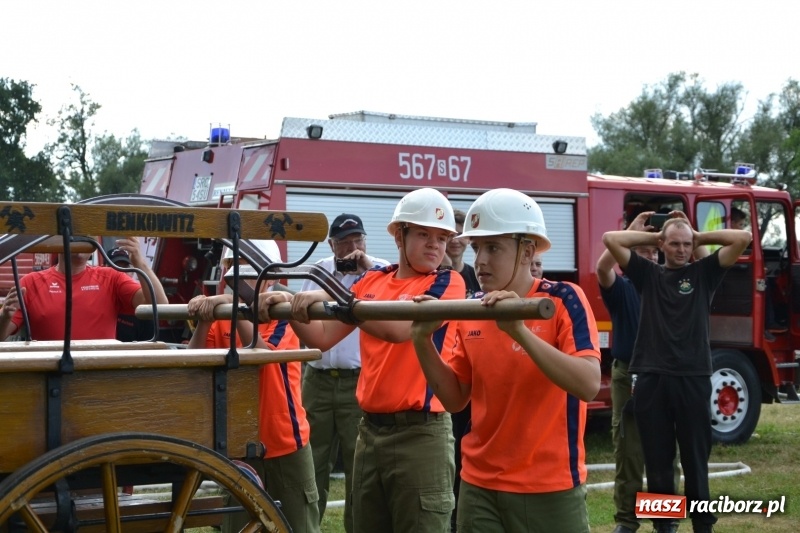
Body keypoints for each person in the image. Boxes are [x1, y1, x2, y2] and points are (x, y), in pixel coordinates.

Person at [260, 188, 466, 533]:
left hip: (422, 434)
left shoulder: (448, 281)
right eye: (424, 234)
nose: (435, 245)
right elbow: (323, 338)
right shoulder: (373, 280)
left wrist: (342, 302)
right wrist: (290, 305)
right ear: (400, 236)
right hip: (370, 430)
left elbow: (400, 329)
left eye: (443, 238)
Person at [411, 188, 601, 533]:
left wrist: (519, 332)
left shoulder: (563, 299)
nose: (480, 260)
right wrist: (422, 340)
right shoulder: (470, 311)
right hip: (478, 485)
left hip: (550, 487)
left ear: (528, 251)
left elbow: (588, 385)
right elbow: (455, 400)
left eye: (493, 247)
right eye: (477, 247)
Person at [602, 215, 751, 533]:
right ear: (662, 246)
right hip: (652, 378)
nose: (682, 249)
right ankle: (664, 525)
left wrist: (697, 235)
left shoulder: (704, 273)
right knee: (657, 461)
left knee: (695, 460)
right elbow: (611, 240)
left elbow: (742, 237)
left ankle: (702, 525)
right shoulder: (647, 275)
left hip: (693, 377)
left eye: (686, 244)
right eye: (675, 243)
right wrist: (648, 236)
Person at [188, 240, 320, 533]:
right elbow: (196, 365)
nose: (234, 277)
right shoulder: (220, 314)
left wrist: (231, 308)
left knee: (299, 525)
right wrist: (203, 321)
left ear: (269, 278)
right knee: (237, 525)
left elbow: (262, 356)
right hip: (238, 443)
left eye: (244, 272)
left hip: (285, 442)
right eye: (230, 269)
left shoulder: (282, 311)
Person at [300, 213, 390, 533]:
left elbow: (396, 290)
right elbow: (304, 317)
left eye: (358, 240)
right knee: (311, 464)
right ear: (332, 245)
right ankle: (308, 526)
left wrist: (366, 266)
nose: (353, 248)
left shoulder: (379, 269)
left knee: (359, 469)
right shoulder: (318, 271)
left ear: (366, 241)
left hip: (357, 379)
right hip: (318, 378)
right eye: (345, 242)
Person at [597, 211, 685, 533]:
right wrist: (629, 233)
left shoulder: (672, 284)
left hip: (663, 377)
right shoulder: (620, 289)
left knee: (663, 452)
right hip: (628, 376)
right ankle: (627, 521)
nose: (648, 257)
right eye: (640, 252)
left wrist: (682, 228)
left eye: (653, 251)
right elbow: (601, 267)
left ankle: (664, 520)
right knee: (629, 453)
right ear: (629, 257)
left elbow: (700, 259)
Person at [0, 237, 168, 341]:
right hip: (49, 382)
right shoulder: (31, 282)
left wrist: (140, 262)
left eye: (87, 234)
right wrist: (4, 317)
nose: (81, 239)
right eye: (74, 233)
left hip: (98, 381)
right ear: (59, 239)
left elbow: (160, 307)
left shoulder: (111, 278)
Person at [444, 208, 480, 532]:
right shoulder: (434, 277)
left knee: (463, 450)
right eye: (449, 233)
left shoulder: (476, 276)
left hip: (471, 379)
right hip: (441, 378)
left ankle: (459, 519)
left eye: (461, 232)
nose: (456, 239)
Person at [106, 247, 157, 342]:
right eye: (114, 267)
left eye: (125, 267)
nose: (120, 272)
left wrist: (140, 263)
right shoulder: (95, 296)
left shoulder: (142, 300)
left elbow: (159, 304)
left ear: (134, 271)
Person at [447, 209, 481, 298]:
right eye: (450, 235)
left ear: (469, 239)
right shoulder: (431, 275)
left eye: (460, 234)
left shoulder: (477, 276)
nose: (455, 240)